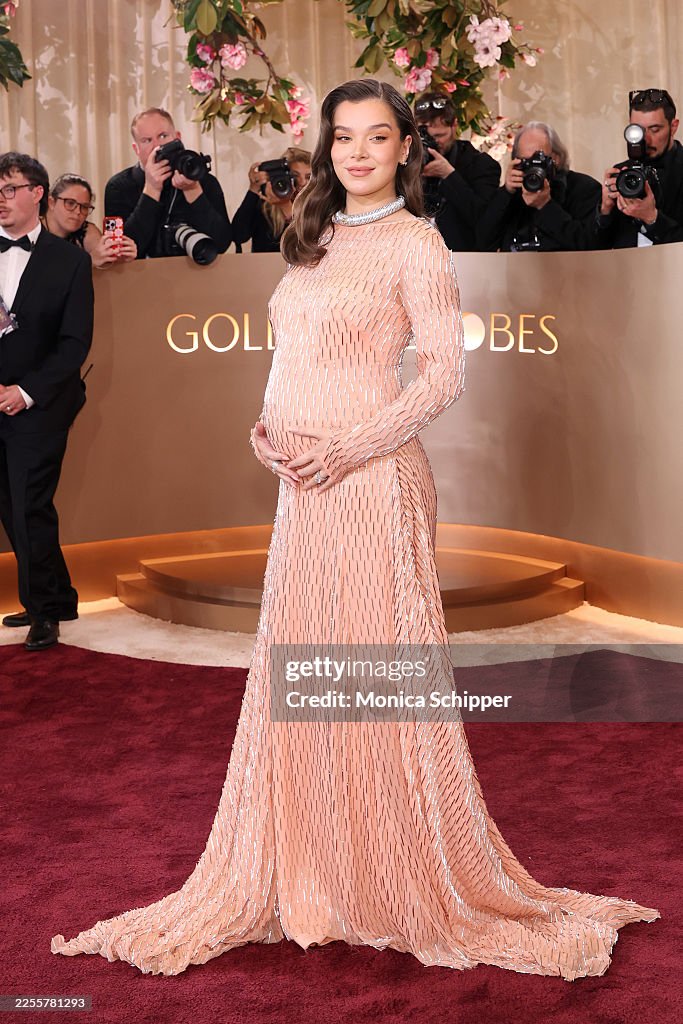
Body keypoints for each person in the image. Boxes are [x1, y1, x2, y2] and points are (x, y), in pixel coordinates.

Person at [51, 80, 659, 978]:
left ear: (406, 146)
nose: (359, 152)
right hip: (305, 487)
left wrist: (345, 450)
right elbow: (290, 354)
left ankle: (389, 863)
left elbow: (442, 377)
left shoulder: (415, 241)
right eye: (344, 138)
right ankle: (316, 858)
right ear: (326, 146)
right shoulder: (310, 235)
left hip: (372, 481)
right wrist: (270, 431)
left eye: (378, 137)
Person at [0, 153, 93, 651]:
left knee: (30, 503)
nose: (2, 198)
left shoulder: (70, 261)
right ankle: (59, 595)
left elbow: (75, 343)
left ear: (38, 193)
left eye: (10, 188)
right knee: (10, 506)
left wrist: (25, 392)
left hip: (42, 402)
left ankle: (42, 611)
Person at [104, 107, 232, 258]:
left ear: (177, 138)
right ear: (136, 148)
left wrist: (193, 191)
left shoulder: (203, 180)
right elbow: (119, 251)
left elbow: (222, 243)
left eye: (163, 136)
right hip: (139, 278)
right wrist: (151, 189)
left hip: (197, 277)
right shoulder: (118, 186)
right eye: (147, 140)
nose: (157, 147)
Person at [477, 121, 601, 251]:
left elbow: (589, 244)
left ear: (556, 158)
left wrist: (545, 206)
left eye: (538, 159)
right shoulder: (512, 195)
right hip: (516, 270)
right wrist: (506, 193)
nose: (533, 167)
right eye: (526, 161)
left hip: (569, 270)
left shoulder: (584, 189)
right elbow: (483, 242)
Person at [596, 88, 683, 247]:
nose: (646, 140)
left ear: (674, 127)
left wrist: (652, 218)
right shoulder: (621, 174)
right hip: (628, 270)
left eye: (655, 129)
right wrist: (604, 211)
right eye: (637, 130)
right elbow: (598, 246)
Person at [414, 92, 500, 250]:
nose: (434, 142)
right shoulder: (408, 164)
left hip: (464, 261)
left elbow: (486, 222)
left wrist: (449, 175)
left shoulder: (481, 165)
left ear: (454, 126)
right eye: (426, 137)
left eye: (440, 135)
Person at [44, 173, 137, 268]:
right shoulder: (33, 230)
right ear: (51, 202)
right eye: (70, 203)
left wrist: (118, 259)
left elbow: (106, 263)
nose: (78, 211)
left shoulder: (86, 231)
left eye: (84, 207)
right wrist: (89, 261)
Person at [232, 147, 312, 252]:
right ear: (284, 176)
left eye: (308, 177)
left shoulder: (318, 206)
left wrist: (285, 206)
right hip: (265, 267)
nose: (302, 182)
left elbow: (307, 247)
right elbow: (238, 236)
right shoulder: (266, 203)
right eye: (295, 175)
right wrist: (253, 190)